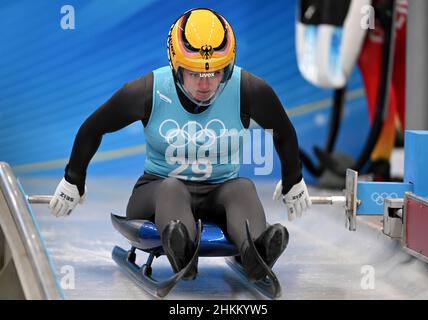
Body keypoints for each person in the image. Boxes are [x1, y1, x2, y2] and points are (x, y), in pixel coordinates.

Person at [49, 8, 312, 281]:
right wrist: (73, 180)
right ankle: (182, 249)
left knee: (243, 188)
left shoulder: (248, 89)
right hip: (157, 190)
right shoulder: (148, 90)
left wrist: (293, 179)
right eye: (195, 73)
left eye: (215, 73)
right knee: (171, 188)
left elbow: (283, 131)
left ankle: (257, 253)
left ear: (228, 66)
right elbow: (93, 128)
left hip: (219, 192)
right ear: (176, 67)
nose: (205, 84)